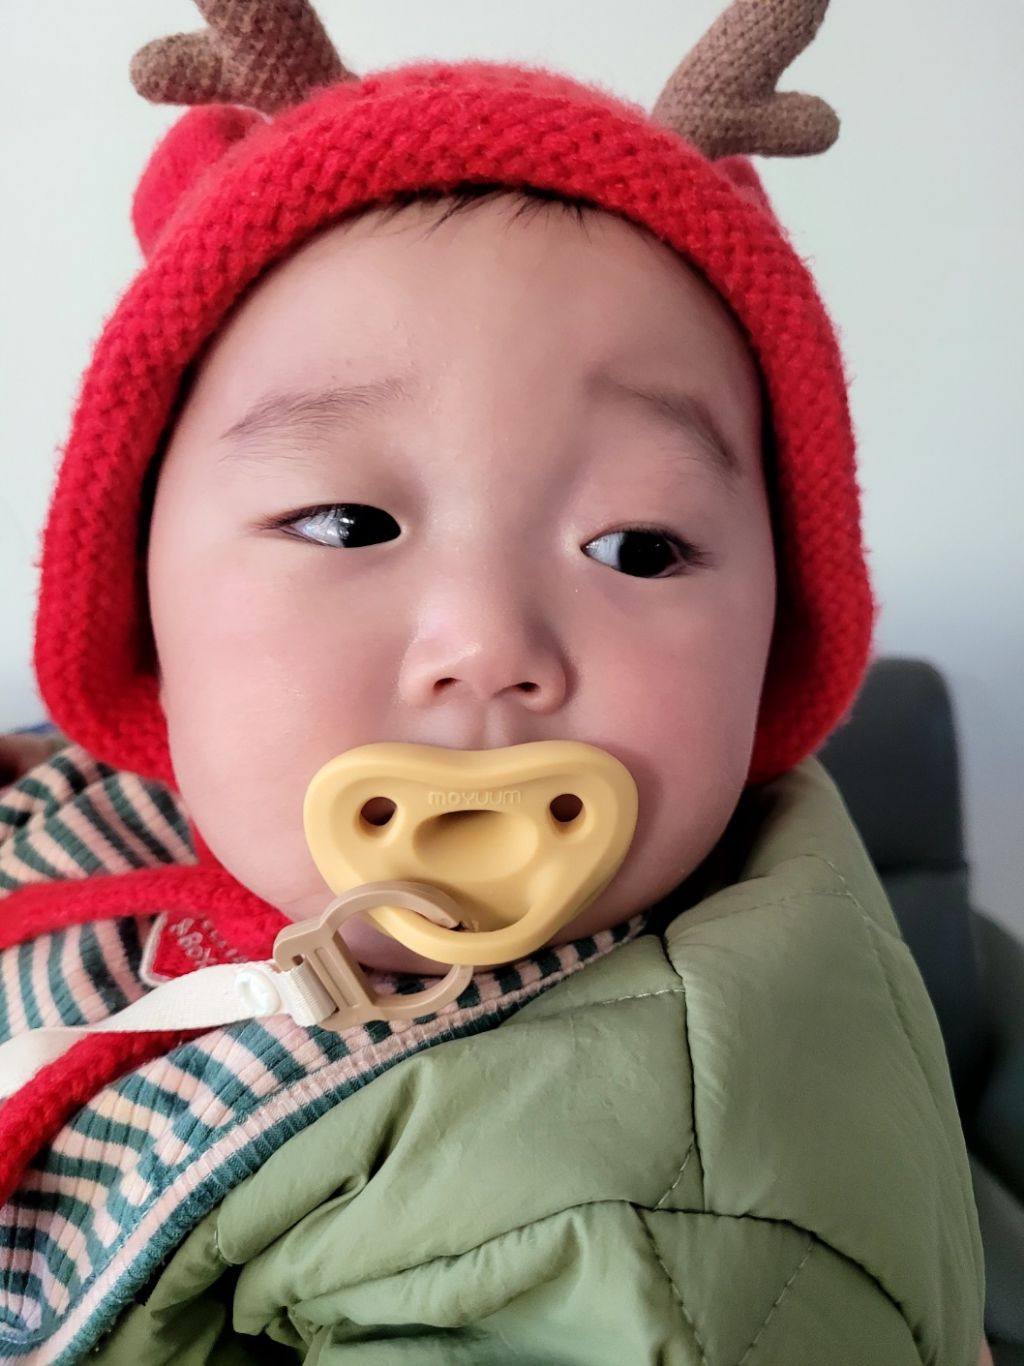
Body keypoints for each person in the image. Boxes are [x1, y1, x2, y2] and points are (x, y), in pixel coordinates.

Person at [0, 0, 992, 1360]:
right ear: (142, 601)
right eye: (347, 523)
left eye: (638, 547)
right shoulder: (142, 800)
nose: (487, 645)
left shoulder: (642, 1232)